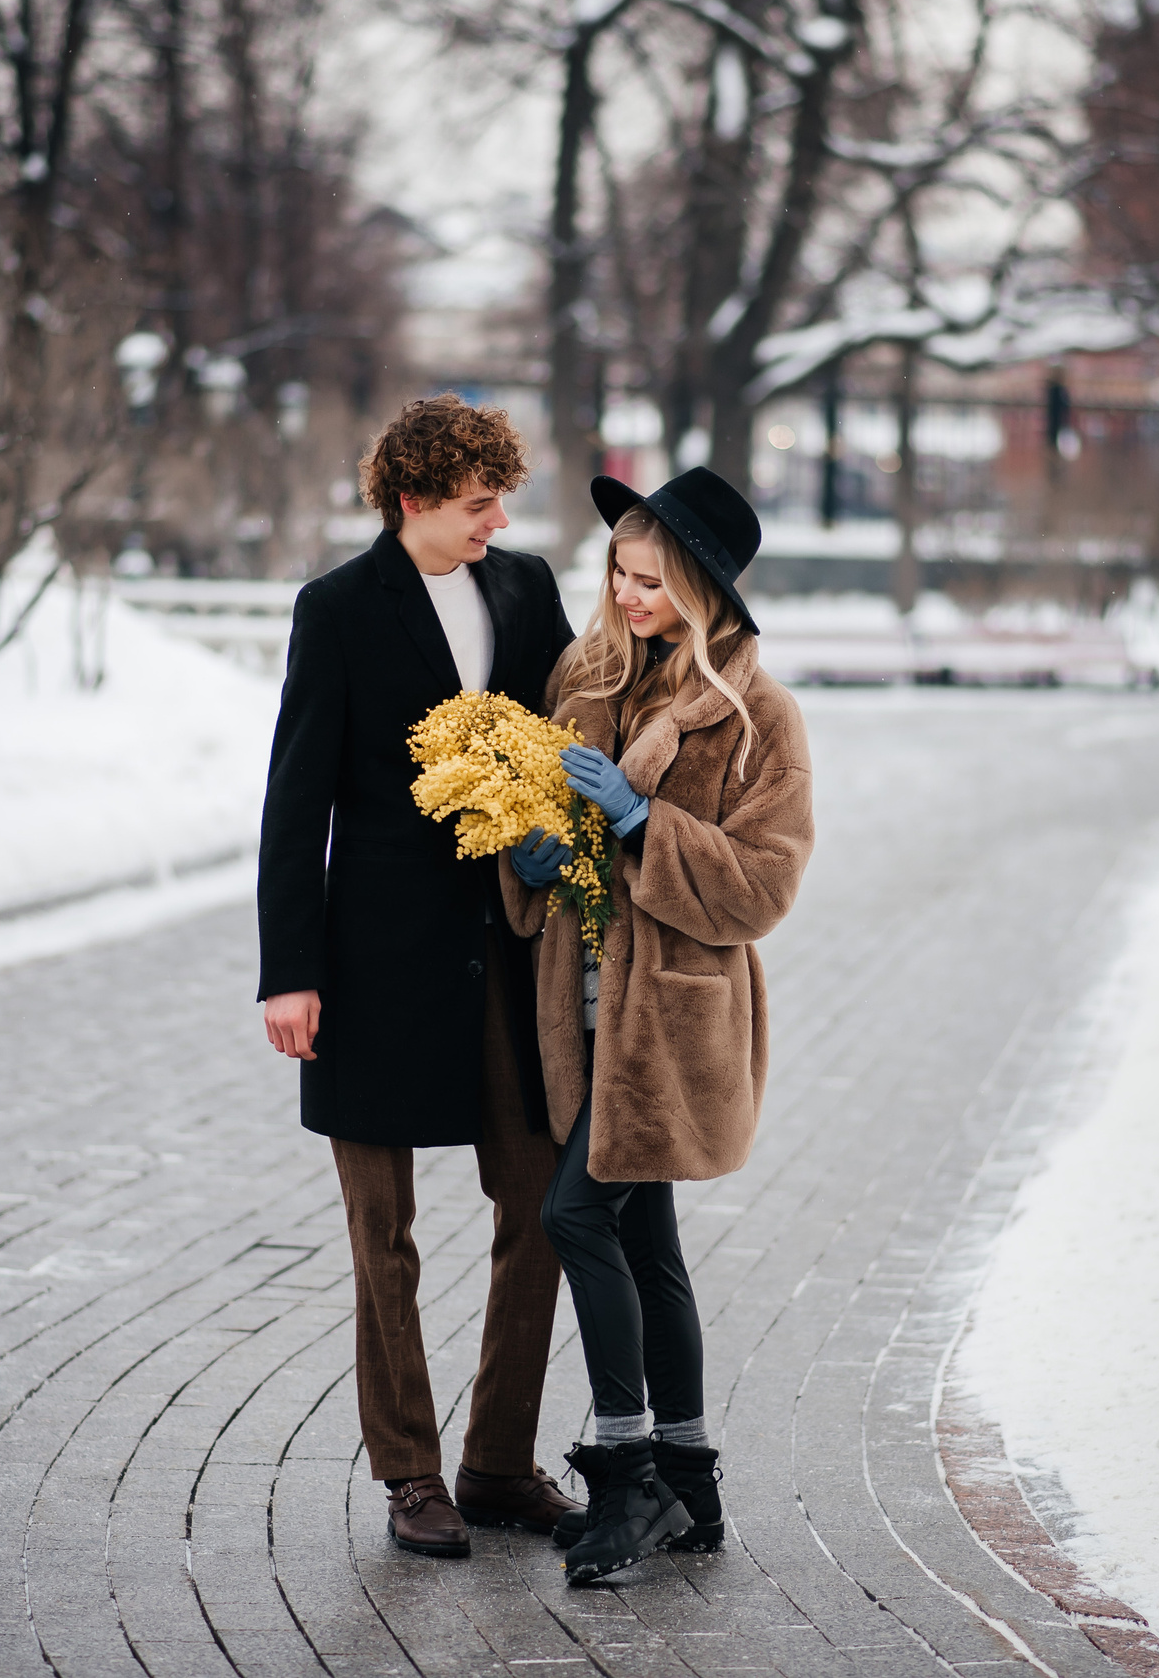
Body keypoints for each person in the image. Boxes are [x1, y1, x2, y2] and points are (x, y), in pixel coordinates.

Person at [257, 394, 583, 1557]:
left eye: (502, 500)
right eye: (478, 503)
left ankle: (496, 1461)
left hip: (510, 947)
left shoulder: (526, 588)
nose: (498, 522)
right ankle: (410, 1471)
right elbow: (297, 796)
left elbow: (571, 729)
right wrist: (289, 971)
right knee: (380, 1231)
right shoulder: (339, 608)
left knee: (541, 1204)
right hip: (373, 958)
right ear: (413, 499)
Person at [498, 467, 814, 1585]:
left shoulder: (757, 714)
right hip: (581, 1005)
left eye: (650, 581)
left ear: (703, 588)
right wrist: (529, 857)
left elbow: (764, 886)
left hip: (672, 1020)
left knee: (574, 1213)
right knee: (646, 1241)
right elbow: (529, 830)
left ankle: (626, 1472)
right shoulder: (582, 678)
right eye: (620, 574)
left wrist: (642, 823)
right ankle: (689, 1481)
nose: (627, 597)